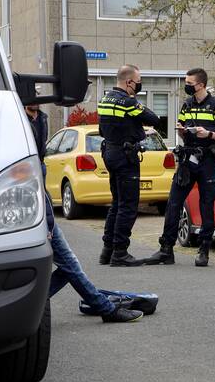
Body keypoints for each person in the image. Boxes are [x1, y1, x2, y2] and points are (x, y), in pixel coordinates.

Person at [25, 99, 142, 323]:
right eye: (32, 94)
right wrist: (48, 223)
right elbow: (34, 186)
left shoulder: (41, 120)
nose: (38, 99)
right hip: (35, 214)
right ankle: (104, 309)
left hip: (42, 210)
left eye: (39, 94)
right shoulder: (19, 125)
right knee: (70, 264)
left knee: (70, 264)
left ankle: (31, 303)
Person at [148, 68, 215, 267]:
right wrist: (181, 131)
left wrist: (209, 134)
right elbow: (181, 127)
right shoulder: (187, 104)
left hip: (208, 162)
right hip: (187, 159)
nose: (186, 85)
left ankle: (204, 250)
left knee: (206, 205)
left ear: (201, 85)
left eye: (189, 82)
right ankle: (166, 249)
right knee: (174, 202)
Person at [97, 65, 162, 267]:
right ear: (129, 82)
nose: (140, 84)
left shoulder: (104, 99)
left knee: (116, 203)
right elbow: (154, 119)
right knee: (128, 206)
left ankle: (107, 251)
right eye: (138, 80)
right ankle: (120, 253)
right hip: (126, 157)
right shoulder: (128, 102)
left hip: (110, 152)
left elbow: (101, 129)